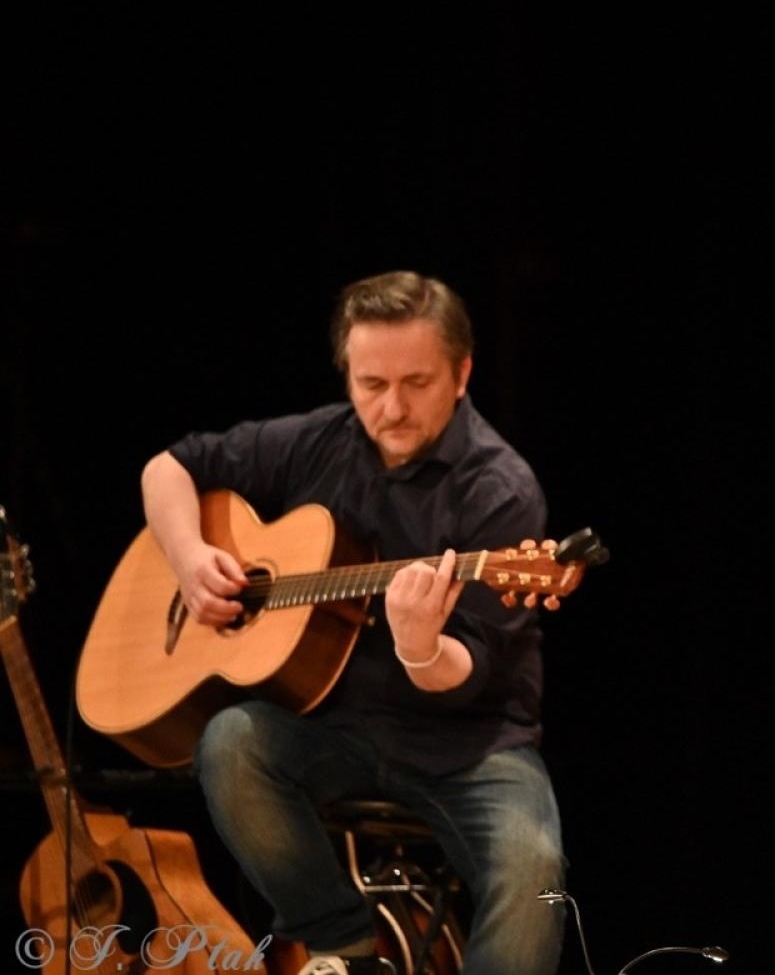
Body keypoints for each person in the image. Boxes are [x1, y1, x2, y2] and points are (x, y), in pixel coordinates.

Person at [140, 270, 566, 975]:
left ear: (462, 373)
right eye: (371, 383)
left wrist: (420, 645)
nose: (391, 407)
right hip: (333, 728)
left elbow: (475, 667)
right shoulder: (320, 440)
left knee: (537, 872)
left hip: (471, 745)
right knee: (231, 743)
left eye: (416, 382)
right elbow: (167, 468)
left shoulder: (500, 490)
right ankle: (341, 945)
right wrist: (189, 557)